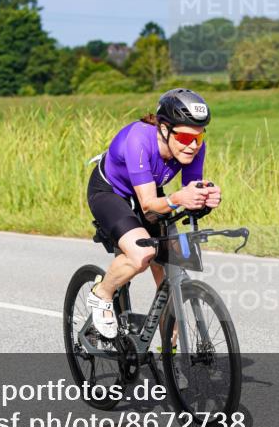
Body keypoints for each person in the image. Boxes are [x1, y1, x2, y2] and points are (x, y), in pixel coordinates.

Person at [86, 88, 221, 339]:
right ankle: (101, 293)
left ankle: (170, 359)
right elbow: (148, 204)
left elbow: (189, 191)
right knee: (142, 254)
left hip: (147, 190)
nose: (192, 145)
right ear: (164, 128)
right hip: (111, 193)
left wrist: (206, 198)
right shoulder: (138, 140)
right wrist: (178, 198)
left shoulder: (194, 147)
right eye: (183, 137)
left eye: (199, 137)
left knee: (173, 269)